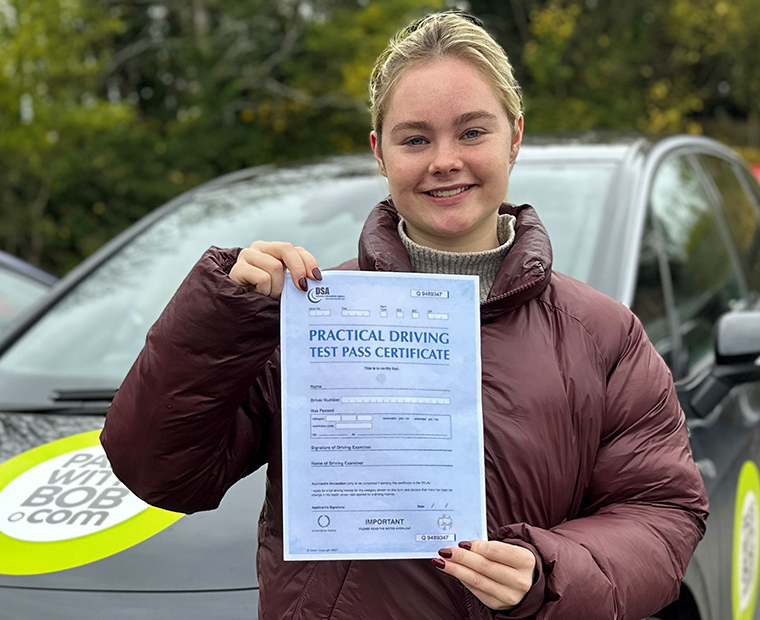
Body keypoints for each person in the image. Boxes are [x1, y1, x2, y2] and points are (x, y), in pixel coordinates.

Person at [102, 11, 708, 619]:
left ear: (515, 136)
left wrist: (550, 572)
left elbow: (663, 514)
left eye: (473, 132)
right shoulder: (310, 318)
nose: (445, 160)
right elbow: (160, 472)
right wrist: (224, 314)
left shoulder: (602, 335)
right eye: (415, 139)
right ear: (380, 152)